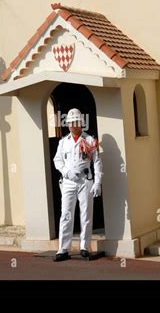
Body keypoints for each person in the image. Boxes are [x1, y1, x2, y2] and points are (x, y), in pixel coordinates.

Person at [53, 108, 103, 261]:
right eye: (70, 123)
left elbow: (97, 163)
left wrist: (98, 183)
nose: (73, 125)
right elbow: (57, 161)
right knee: (66, 214)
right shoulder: (63, 142)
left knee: (86, 214)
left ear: (81, 123)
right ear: (67, 125)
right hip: (68, 181)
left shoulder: (89, 141)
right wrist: (67, 172)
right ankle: (63, 248)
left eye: (76, 122)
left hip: (85, 181)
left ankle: (84, 246)